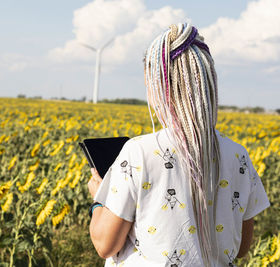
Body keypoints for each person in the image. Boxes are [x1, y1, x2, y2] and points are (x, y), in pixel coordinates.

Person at [87, 22, 270, 267]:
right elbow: (241, 247)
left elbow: (104, 245)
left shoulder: (138, 152)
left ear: (158, 87)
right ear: (208, 83)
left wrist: (100, 199)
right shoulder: (238, 155)